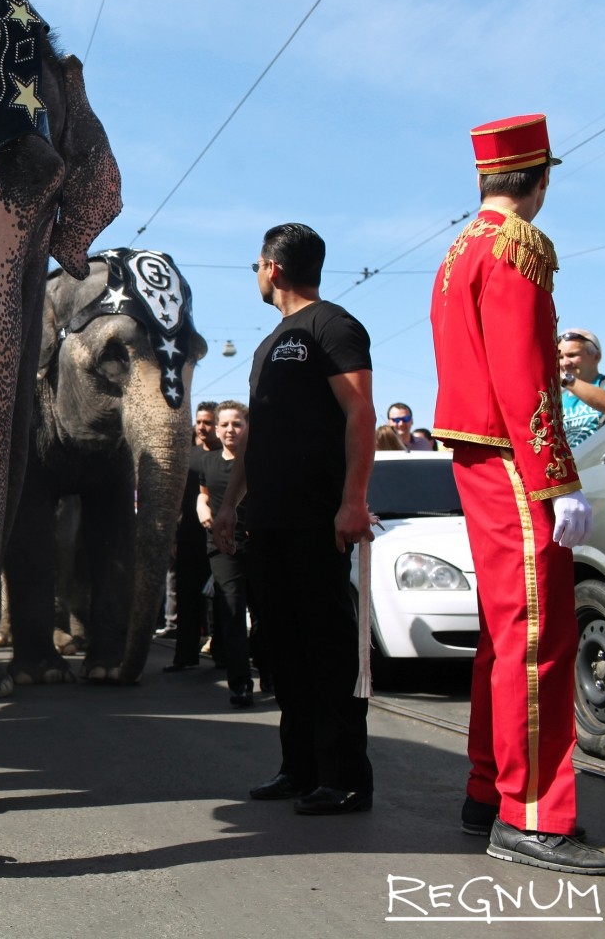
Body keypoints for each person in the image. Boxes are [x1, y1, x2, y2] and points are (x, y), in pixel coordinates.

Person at [430, 113, 605, 875]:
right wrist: (557, 479)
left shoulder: (461, 248)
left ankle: (490, 790)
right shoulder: (518, 247)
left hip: (483, 458)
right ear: (540, 180)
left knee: (506, 638)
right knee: (541, 638)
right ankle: (533, 815)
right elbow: (526, 372)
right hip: (516, 459)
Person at [214, 222, 376, 817]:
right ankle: (300, 767)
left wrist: (353, 500)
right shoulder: (266, 346)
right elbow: (258, 445)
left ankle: (345, 777)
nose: (256, 274)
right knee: (283, 648)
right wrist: (231, 505)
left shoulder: (332, 325)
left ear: (272, 268)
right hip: (270, 522)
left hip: (318, 519)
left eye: (256, 265)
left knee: (326, 648)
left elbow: (360, 413)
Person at [198, 400, 253, 706]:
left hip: (257, 543)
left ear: (247, 429)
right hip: (222, 548)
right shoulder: (207, 463)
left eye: (237, 424)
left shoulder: (258, 460)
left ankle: (270, 672)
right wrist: (200, 505)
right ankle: (240, 683)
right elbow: (203, 494)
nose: (231, 430)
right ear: (217, 430)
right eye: (225, 424)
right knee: (232, 612)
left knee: (264, 615)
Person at [163, 401, 218, 663]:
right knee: (186, 596)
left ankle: (221, 652)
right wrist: (174, 535)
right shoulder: (188, 456)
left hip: (218, 537)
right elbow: (175, 499)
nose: (202, 427)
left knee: (219, 600)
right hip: (188, 537)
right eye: (199, 422)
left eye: (208, 422)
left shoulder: (227, 455)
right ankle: (185, 655)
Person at [557, 329, 605, 449]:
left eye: (572, 355)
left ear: (596, 356)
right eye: (560, 357)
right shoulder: (558, 399)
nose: (565, 363)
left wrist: (564, 379)